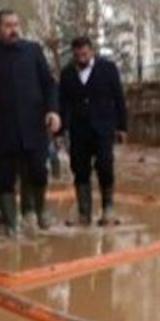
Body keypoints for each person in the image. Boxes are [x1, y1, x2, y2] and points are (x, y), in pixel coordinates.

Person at [0, 9, 61, 235]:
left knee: (38, 171)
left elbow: (49, 84)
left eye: (16, 25)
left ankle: (40, 210)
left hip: (34, 124)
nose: (13, 30)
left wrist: (53, 111)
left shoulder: (33, 50)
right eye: (8, 25)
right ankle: (11, 226)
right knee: (4, 178)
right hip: (4, 127)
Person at [60, 36, 128, 226]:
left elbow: (119, 98)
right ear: (73, 54)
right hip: (78, 130)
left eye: (85, 54)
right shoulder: (67, 73)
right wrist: (60, 131)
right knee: (80, 169)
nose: (81, 58)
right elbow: (63, 103)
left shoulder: (107, 68)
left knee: (105, 165)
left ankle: (108, 209)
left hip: (103, 128)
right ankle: (84, 212)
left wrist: (122, 127)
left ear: (91, 51)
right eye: (77, 55)